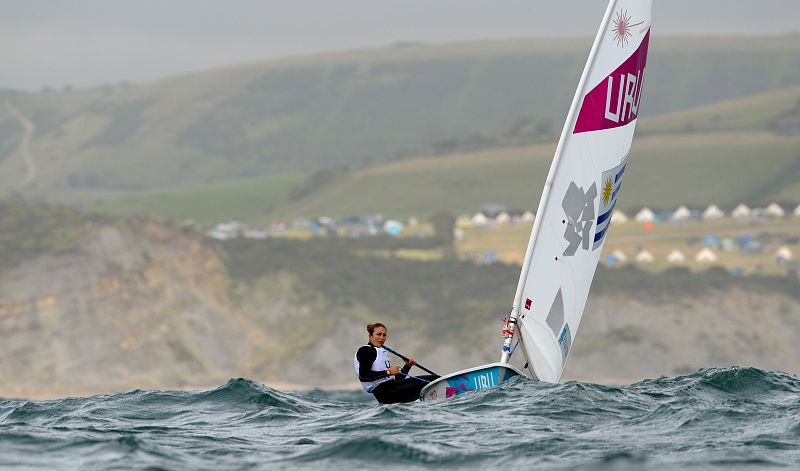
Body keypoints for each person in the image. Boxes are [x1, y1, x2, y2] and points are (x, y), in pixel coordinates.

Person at [353, 323, 439, 404]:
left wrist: (407, 366)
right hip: (386, 392)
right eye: (378, 334)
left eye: (384, 335)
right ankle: (449, 393)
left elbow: (397, 380)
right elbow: (363, 375)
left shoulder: (380, 351)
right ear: (370, 336)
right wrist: (388, 372)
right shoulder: (366, 350)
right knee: (434, 379)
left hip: (391, 392)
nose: (382, 338)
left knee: (431, 382)